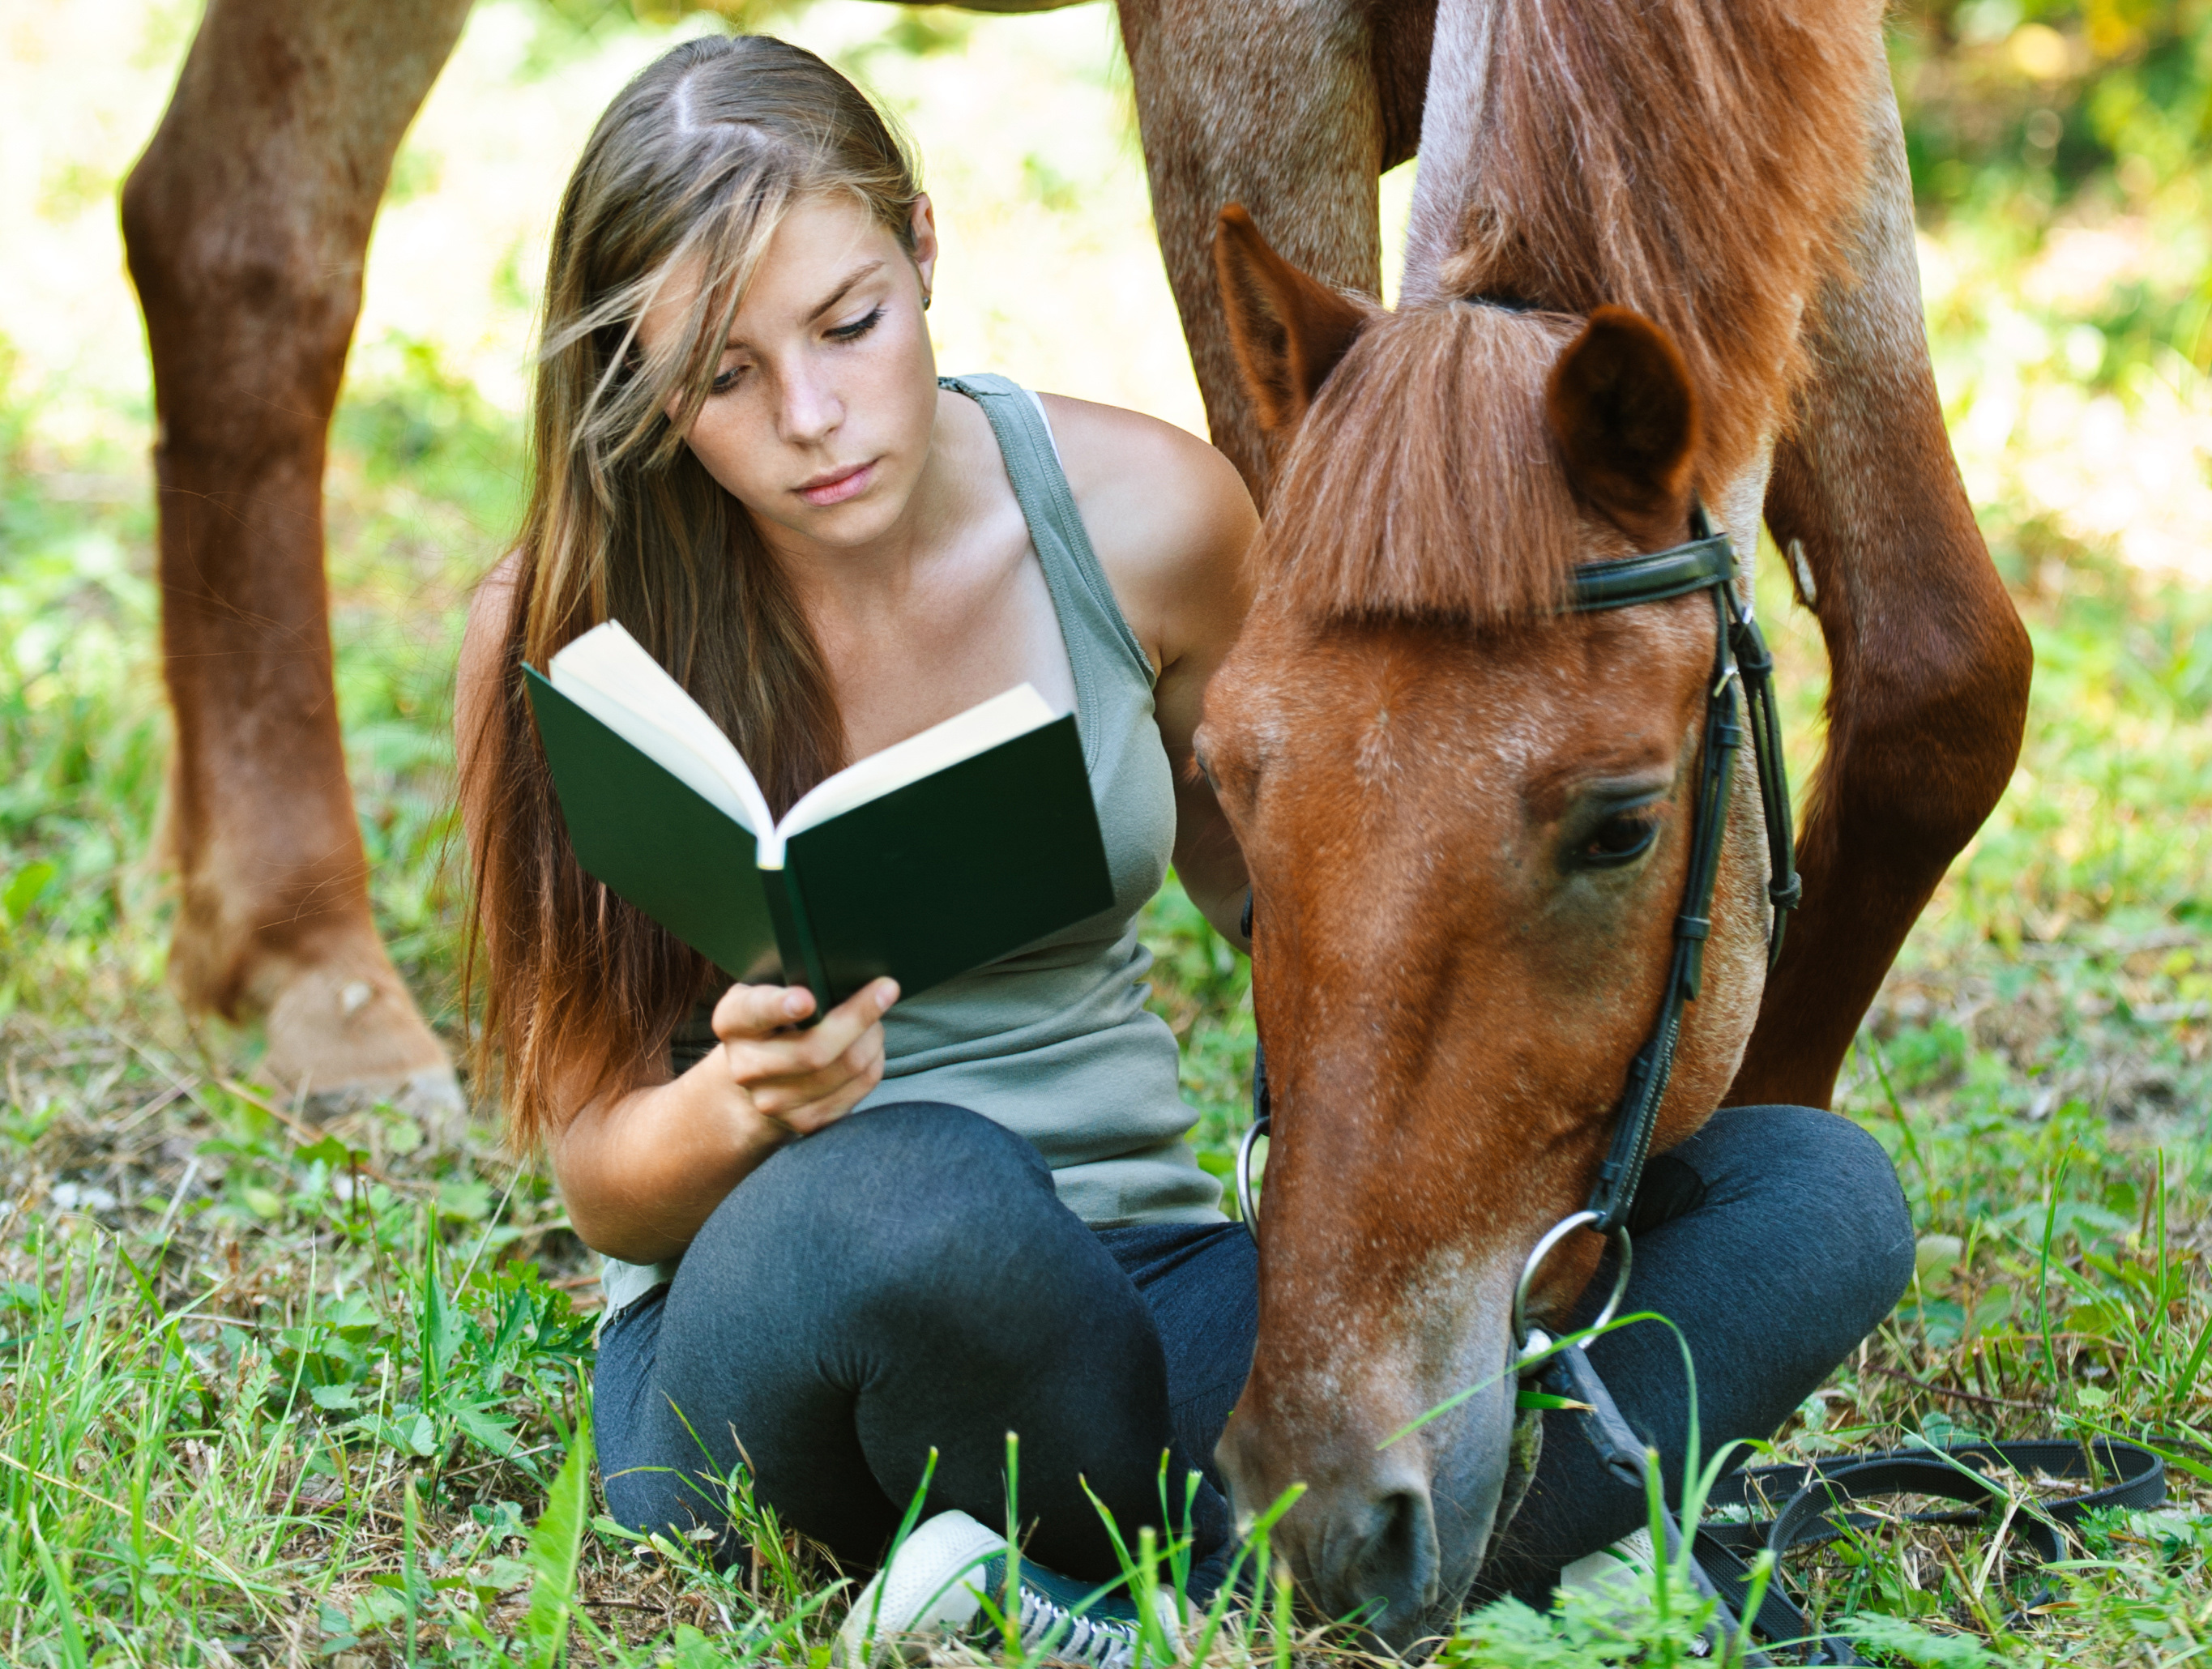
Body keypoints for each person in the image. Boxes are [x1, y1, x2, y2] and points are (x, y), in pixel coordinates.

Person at [455, 31, 1915, 1667]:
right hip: (794, 1317)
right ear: (638, 392)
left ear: (924, 248)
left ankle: (1097, 1605)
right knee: (933, 1196)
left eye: (850, 324)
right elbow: (600, 1176)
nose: (811, 415)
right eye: (719, 377)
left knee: (1815, 1194)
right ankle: (1419, 1576)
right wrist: (740, 1108)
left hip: (1146, 1299)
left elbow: (1298, 898)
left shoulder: (1142, 513)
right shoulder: (570, 631)